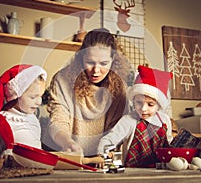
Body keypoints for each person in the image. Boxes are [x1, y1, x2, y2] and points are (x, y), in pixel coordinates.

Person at [44, 28, 134, 156]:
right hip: (64, 152)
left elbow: (118, 129)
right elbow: (58, 121)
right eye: (90, 62)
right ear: (81, 58)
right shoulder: (62, 79)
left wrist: (105, 150)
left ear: (113, 60)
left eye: (104, 63)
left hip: (101, 157)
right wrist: (68, 144)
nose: (96, 70)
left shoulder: (120, 88)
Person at [97, 65, 173, 167]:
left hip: (161, 170)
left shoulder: (164, 120)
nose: (143, 109)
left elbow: (169, 143)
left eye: (150, 104)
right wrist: (103, 154)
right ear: (133, 100)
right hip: (133, 171)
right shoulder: (128, 120)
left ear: (159, 105)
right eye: (139, 102)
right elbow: (109, 140)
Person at [0, 64, 47, 161]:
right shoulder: (0, 122)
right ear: (15, 95)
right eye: (33, 97)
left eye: (40, 96)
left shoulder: (33, 118)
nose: (39, 102)